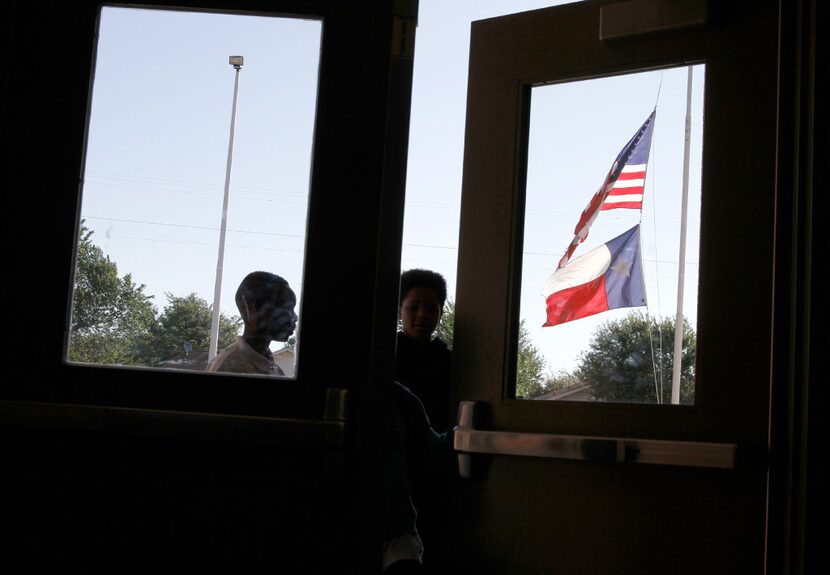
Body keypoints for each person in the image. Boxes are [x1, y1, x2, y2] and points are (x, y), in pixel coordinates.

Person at [393, 269, 455, 573]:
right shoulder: (382, 358)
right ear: (399, 309)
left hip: (437, 474)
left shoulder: (451, 362)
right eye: (413, 306)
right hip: (394, 473)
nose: (422, 315)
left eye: (431, 308)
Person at [206, 271, 297, 375]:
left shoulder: (262, 361)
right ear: (253, 308)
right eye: (287, 308)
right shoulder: (235, 368)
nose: (294, 318)